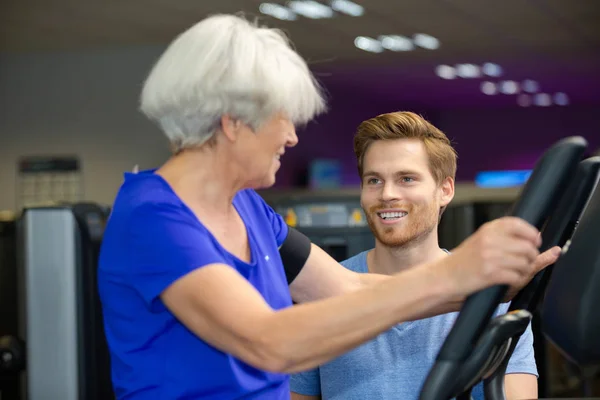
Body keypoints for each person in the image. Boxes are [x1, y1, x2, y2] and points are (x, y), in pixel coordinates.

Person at [97, 14, 560, 400]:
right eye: (284, 118)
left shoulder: (250, 210)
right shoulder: (153, 219)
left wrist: (486, 289)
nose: (292, 137)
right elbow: (270, 343)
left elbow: (350, 292)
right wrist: (454, 272)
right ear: (233, 123)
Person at [290, 112, 542, 400]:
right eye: (374, 180)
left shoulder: (494, 296)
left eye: (406, 179)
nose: (387, 194)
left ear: (445, 190)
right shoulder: (321, 291)